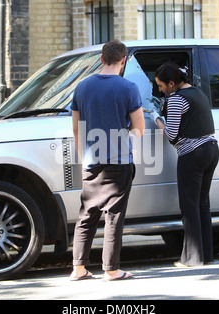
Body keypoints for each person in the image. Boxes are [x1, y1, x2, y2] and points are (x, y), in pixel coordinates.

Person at [70, 40, 145, 281]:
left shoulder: (81, 87)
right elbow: (139, 128)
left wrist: (84, 157)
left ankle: (78, 268)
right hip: (119, 160)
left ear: (101, 59)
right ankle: (111, 269)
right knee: (114, 216)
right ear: (123, 61)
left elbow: (76, 129)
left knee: (87, 213)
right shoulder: (129, 88)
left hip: (91, 160)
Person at [151, 61, 219, 267]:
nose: (160, 90)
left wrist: (157, 119)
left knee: (189, 206)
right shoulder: (197, 92)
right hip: (211, 149)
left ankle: (191, 259)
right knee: (202, 204)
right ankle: (206, 255)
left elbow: (172, 135)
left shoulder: (176, 99)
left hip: (192, 154)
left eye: (162, 86)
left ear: (172, 83)